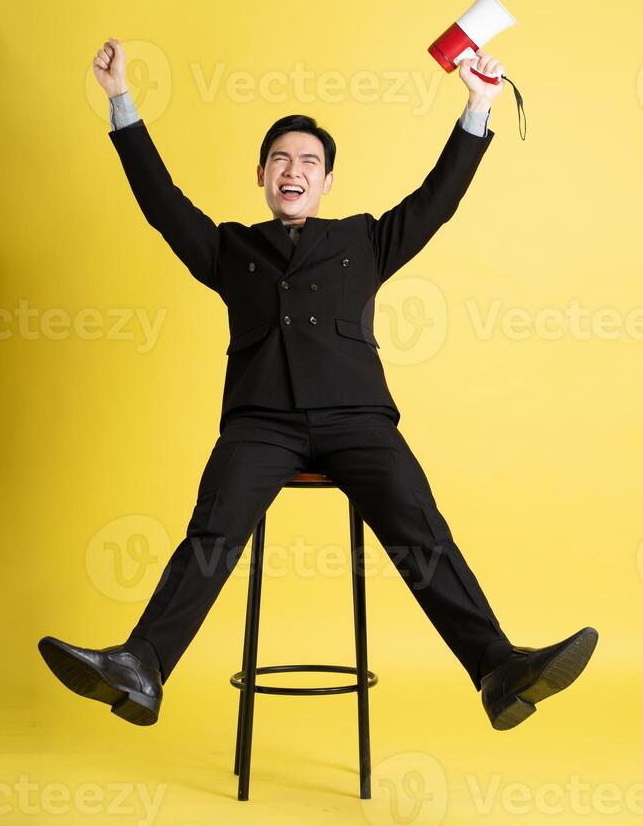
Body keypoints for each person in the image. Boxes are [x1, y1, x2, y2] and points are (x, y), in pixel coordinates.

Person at [38, 37, 598, 733]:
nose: (293, 169)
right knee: (211, 531)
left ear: (327, 181)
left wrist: (479, 104)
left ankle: (498, 668)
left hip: (358, 421)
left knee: (418, 526)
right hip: (259, 424)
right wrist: (121, 98)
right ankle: (142, 667)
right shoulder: (230, 247)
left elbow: (437, 200)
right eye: (280, 159)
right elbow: (161, 204)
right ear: (262, 176)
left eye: (309, 161)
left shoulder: (365, 241)